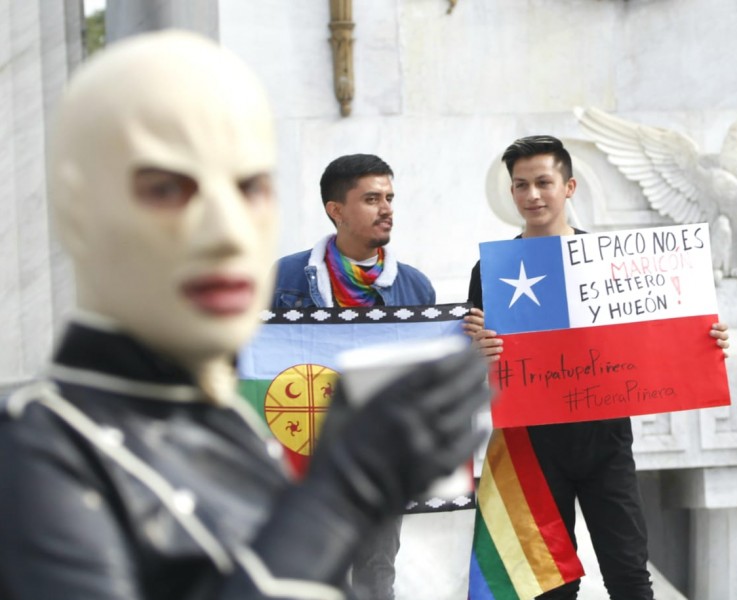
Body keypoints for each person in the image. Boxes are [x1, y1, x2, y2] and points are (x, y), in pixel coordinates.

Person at [0, 31, 490, 600]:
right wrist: (337, 499)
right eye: (167, 189)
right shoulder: (38, 450)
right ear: (79, 210)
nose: (227, 230)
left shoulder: (234, 434)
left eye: (250, 187)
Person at [463, 135, 730, 600]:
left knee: (629, 575)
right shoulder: (488, 272)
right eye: (521, 185)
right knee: (550, 587)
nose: (532, 195)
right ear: (511, 193)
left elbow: (657, 340)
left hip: (605, 440)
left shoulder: (617, 264)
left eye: (543, 182)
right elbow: (467, 373)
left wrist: (706, 341)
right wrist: (475, 352)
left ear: (569, 186)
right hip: (530, 444)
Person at [270, 153, 434, 600]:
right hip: (309, 459)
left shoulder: (415, 288)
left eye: (390, 197)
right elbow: (261, 364)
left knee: (376, 577)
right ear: (335, 210)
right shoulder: (284, 279)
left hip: (381, 461)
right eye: (372, 199)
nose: (387, 209)